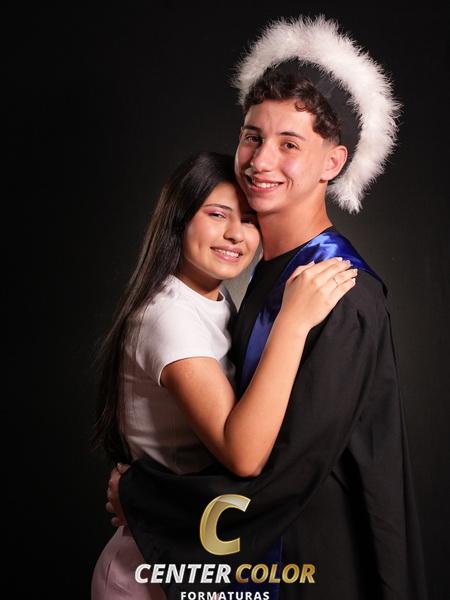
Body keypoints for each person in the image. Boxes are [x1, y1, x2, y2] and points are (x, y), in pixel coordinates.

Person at [106, 17, 428, 600]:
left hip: (318, 564)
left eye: (290, 145)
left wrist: (148, 499)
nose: (260, 161)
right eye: (253, 137)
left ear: (332, 163)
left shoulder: (342, 291)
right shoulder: (265, 275)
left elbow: (286, 470)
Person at [91, 150, 356, 599]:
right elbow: (243, 454)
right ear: (180, 219)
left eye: (249, 219)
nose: (235, 233)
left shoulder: (214, 301)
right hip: (152, 568)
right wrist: (293, 323)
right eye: (217, 215)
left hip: (191, 550)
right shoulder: (170, 316)